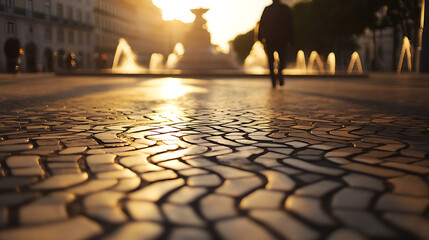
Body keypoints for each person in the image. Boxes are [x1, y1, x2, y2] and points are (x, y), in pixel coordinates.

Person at [258, 0, 294, 88]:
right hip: (282, 38)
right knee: (282, 59)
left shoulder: (267, 9)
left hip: (270, 39)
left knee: (271, 60)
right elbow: (290, 25)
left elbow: (261, 24)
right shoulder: (286, 9)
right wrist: (291, 39)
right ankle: (279, 74)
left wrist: (260, 37)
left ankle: (274, 79)